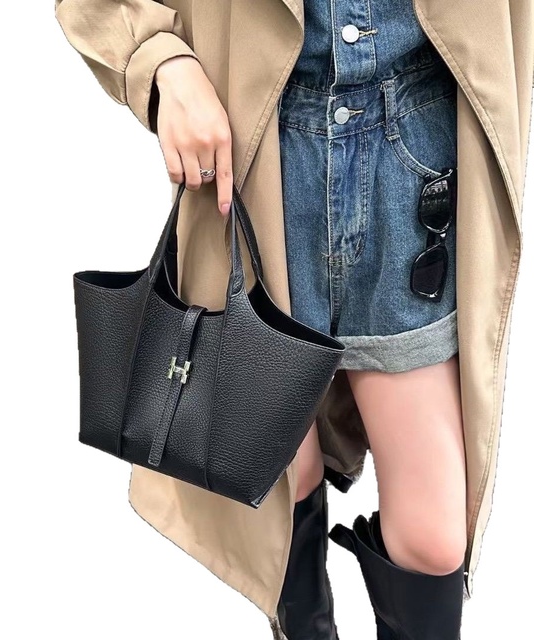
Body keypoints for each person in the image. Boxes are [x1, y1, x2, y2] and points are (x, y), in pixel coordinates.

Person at [55, 1, 533, 638]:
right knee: (279, 489)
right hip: (255, 162)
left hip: (419, 169)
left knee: (435, 542)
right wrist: (160, 61)